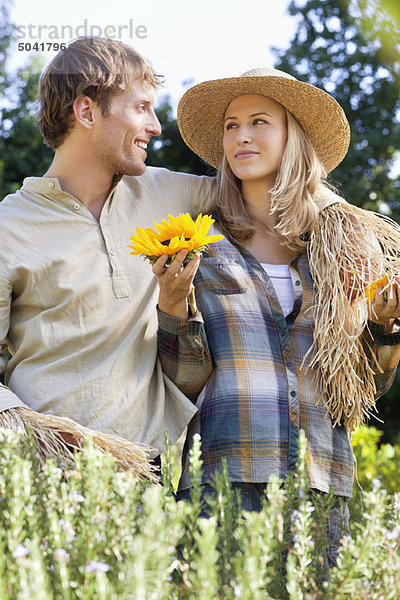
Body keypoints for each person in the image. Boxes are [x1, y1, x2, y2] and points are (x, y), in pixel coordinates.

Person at [153, 68, 400, 562]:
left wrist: (381, 326)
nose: (241, 136)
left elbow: (366, 387)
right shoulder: (201, 245)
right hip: (222, 480)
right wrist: (173, 303)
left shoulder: (338, 250)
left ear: (293, 137)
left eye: (259, 121)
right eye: (230, 125)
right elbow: (187, 380)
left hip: (322, 483)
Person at [0, 37, 216, 471]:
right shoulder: (9, 227)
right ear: (86, 112)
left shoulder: (170, 191)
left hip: (145, 474)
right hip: (45, 473)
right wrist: (35, 435)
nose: (155, 127)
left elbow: (263, 191)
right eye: (141, 108)